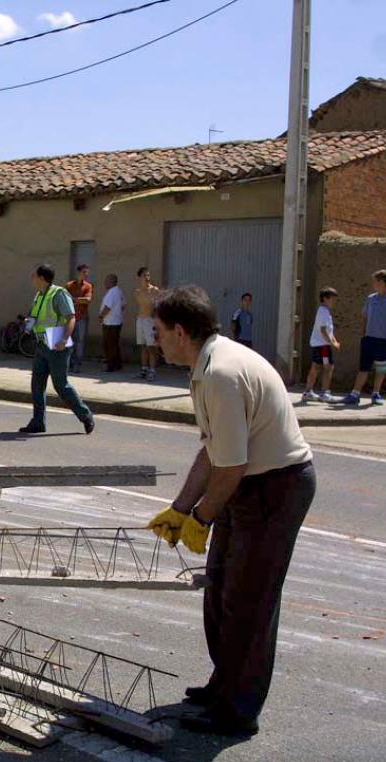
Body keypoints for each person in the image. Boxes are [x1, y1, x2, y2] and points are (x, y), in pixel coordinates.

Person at [145, 286, 315, 738]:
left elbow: (232, 464)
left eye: (158, 331)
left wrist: (201, 517)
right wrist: (180, 508)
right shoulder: (206, 367)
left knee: (248, 601)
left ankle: (237, 711)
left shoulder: (220, 373)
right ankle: (225, 685)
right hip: (249, 482)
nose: (154, 339)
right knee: (220, 589)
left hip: (274, 487)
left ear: (181, 332)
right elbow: (213, 450)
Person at [19, 264, 95, 435]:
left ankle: (86, 415)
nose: (32, 277)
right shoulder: (39, 295)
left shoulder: (58, 293)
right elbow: (37, 316)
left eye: (35, 275)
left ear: (42, 278)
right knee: (37, 384)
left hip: (56, 343)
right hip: (41, 344)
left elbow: (71, 318)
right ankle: (38, 422)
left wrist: (64, 339)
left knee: (61, 385)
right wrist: (29, 323)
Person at [343, 269, 386, 406]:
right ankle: (355, 394)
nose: (373, 284)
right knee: (364, 368)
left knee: (381, 369)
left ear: (382, 282)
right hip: (368, 339)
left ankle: (376, 394)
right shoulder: (370, 299)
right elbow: (365, 317)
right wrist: (364, 334)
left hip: (382, 341)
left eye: (376, 282)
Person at [302, 287, 340, 402]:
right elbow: (323, 330)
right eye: (332, 299)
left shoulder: (325, 312)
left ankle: (308, 392)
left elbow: (329, 331)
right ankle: (325, 393)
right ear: (325, 299)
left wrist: (334, 341)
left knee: (316, 367)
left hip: (321, 344)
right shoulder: (323, 311)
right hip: (323, 346)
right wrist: (332, 344)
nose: (334, 301)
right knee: (328, 367)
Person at [134, 267, 161, 381]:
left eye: (148, 275)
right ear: (140, 277)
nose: (147, 278)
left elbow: (158, 306)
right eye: (145, 275)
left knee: (151, 347)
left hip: (150, 321)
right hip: (141, 319)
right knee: (143, 346)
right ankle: (144, 369)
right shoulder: (137, 292)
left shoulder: (154, 290)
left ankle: (152, 370)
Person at [66, 263, 93, 373]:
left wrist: (73, 299)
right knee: (69, 340)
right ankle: (69, 363)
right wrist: (78, 300)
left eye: (87, 272)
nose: (86, 274)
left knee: (80, 341)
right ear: (78, 273)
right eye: (84, 272)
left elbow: (87, 300)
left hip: (82, 317)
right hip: (70, 317)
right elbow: (65, 299)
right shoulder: (69, 285)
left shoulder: (88, 286)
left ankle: (77, 364)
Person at [99, 273, 126, 372]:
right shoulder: (119, 292)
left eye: (106, 281)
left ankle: (111, 365)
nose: (104, 283)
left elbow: (107, 307)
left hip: (110, 322)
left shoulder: (112, 292)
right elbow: (123, 305)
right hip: (117, 321)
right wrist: (118, 313)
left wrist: (101, 316)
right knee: (114, 344)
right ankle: (118, 364)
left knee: (109, 345)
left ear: (111, 282)